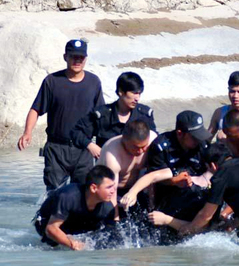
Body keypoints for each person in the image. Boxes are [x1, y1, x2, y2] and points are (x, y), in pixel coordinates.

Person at [144, 143, 239, 240]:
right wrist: (233, 224)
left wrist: (169, 221)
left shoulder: (221, 175)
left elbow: (205, 217)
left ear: (212, 165)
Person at [18, 39, 104, 190]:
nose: (77, 60)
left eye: (81, 57)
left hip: (84, 150)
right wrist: (27, 132)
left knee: (84, 196)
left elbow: (101, 116)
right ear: (65, 57)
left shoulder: (93, 82)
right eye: (73, 56)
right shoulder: (52, 81)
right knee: (55, 195)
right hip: (56, 149)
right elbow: (36, 109)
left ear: (85, 59)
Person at [144, 110, 212, 222]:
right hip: (167, 196)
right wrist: (173, 181)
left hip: (196, 192)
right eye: (194, 137)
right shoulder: (161, 147)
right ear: (180, 133)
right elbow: (153, 179)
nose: (198, 140)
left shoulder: (202, 145)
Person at [71, 71, 156, 159]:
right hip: (108, 166)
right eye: (134, 93)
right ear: (121, 92)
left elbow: (154, 139)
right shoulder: (102, 115)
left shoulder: (144, 115)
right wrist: (91, 146)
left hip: (136, 168)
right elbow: (76, 132)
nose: (137, 98)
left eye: (139, 93)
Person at [33, 165, 117, 250]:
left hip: (77, 222)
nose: (113, 191)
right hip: (48, 223)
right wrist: (72, 244)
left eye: (113, 186)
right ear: (93, 188)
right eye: (109, 187)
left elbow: (111, 233)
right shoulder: (68, 196)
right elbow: (50, 229)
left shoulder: (108, 208)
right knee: (54, 244)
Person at [97, 120, 157, 207]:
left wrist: (152, 205)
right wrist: (116, 217)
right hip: (113, 192)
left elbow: (154, 173)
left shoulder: (152, 140)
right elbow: (111, 191)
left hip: (137, 188)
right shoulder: (112, 154)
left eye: (144, 147)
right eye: (136, 147)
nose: (140, 151)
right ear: (125, 141)